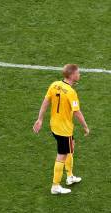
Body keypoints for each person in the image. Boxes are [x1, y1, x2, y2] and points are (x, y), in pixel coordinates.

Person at [33, 64, 90, 195]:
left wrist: (40, 119)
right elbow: (77, 113)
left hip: (55, 125)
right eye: (78, 73)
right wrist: (85, 127)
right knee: (61, 156)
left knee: (71, 145)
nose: (79, 75)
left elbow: (46, 101)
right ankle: (55, 186)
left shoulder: (55, 85)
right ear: (72, 75)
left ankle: (69, 176)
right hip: (64, 129)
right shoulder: (71, 92)